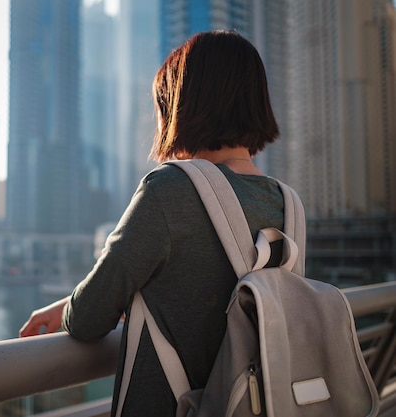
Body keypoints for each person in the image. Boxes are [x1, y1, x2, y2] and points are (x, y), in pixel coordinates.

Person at [20, 30, 285, 416]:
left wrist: (69, 309)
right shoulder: (285, 203)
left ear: (182, 105)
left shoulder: (171, 189)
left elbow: (89, 319)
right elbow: (201, 295)